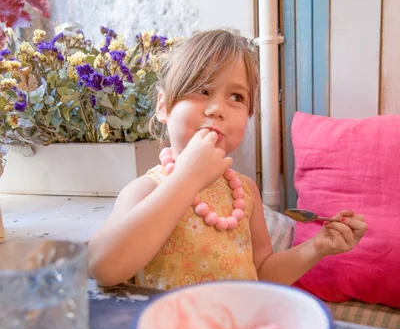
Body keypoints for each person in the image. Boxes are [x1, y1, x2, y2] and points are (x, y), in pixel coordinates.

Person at [88, 29, 367, 289]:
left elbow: (263, 273)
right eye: (201, 90)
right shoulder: (149, 189)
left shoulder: (245, 193)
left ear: (248, 114)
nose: (217, 109)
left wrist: (317, 247)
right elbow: (102, 267)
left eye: (235, 96)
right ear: (163, 106)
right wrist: (188, 178)